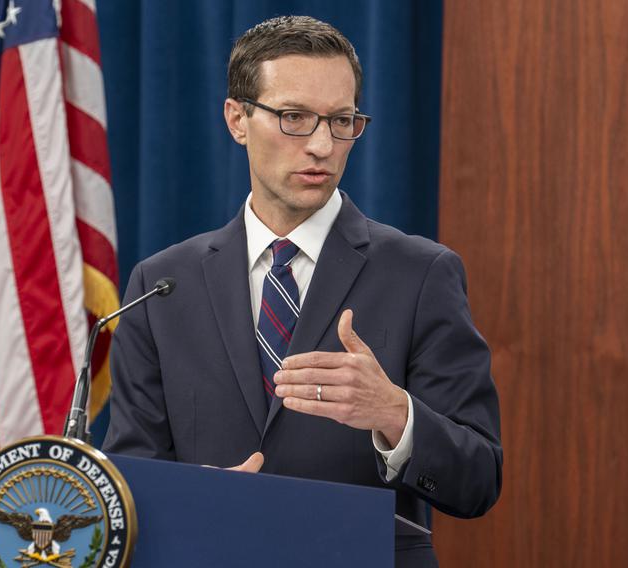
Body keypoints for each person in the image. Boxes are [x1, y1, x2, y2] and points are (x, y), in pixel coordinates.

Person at [103, 15, 502, 567]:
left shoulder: (421, 273)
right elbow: (130, 482)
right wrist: (191, 496)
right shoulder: (163, 285)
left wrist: (395, 415)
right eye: (294, 117)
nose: (321, 145)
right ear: (237, 119)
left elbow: (479, 479)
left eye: (341, 121)